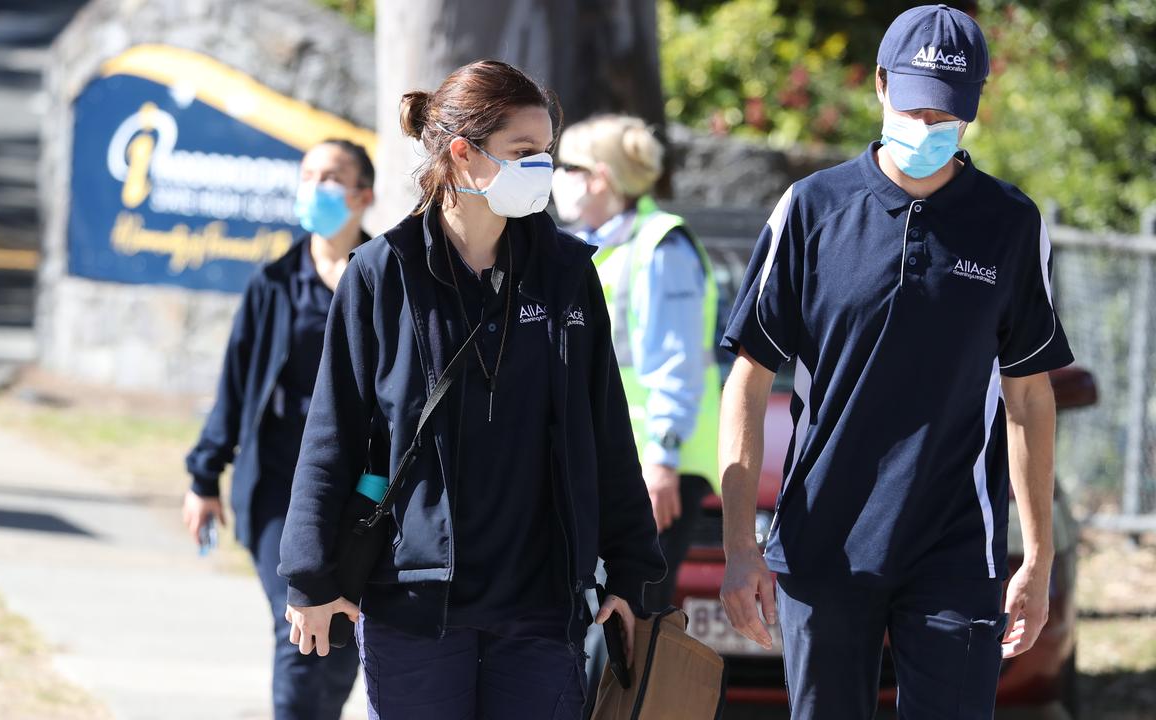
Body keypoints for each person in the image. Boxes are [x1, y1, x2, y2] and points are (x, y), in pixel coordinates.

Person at [276, 60, 665, 720]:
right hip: (414, 603)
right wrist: (311, 576)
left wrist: (630, 572)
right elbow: (333, 433)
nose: (541, 169)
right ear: (462, 154)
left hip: (542, 608)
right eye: (523, 153)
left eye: (545, 152)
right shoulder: (381, 274)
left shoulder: (568, 272)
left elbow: (603, 428)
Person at [717, 5, 1074, 719]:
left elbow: (1029, 398)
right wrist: (737, 547)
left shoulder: (1010, 225)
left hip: (954, 549)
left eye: (946, 115)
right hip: (823, 546)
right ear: (880, 85)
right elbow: (749, 382)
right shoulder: (810, 210)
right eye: (913, 106)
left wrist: (1037, 557)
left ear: (973, 107)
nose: (926, 126)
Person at [182, 139, 374, 720]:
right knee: (295, 624)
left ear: (364, 195)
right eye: (309, 175)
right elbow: (236, 384)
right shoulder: (273, 283)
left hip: (362, 492)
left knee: (341, 636)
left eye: (333, 177)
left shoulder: (386, 278)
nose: (318, 187)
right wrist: (204, 476)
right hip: (276, 494)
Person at [551, 114, 720, 708]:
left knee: (633, 625)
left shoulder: (660, 244)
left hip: (653, 467)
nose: (554, 178)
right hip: (617, 462)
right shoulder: (600, 248)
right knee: (607, 621)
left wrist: (663, 460)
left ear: (599, 177)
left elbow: (675, 361)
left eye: (565, 167)